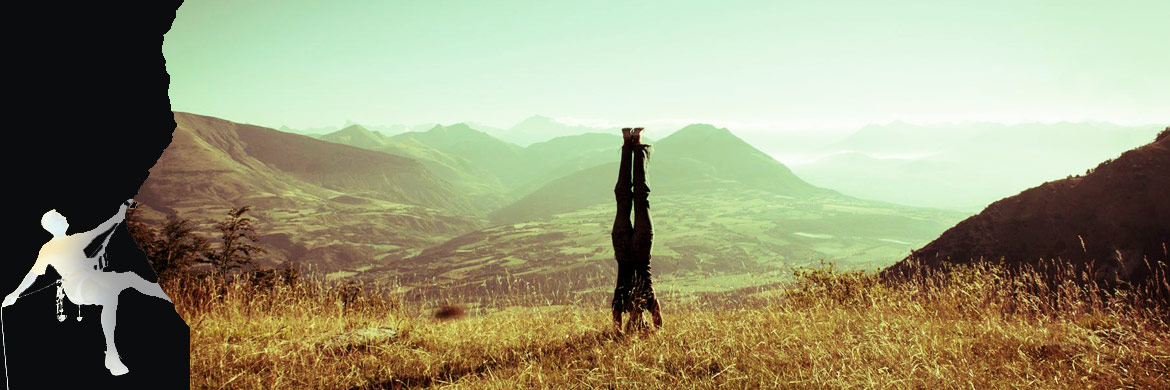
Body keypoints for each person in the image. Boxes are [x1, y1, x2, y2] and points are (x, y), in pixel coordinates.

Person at [3, 200, 172, 376]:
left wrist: (122, 210)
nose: (65, 217)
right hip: (78, 287)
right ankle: (112, 353)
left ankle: (165, 300)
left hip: (90, 279)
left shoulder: (70, 241)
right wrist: (15, 294)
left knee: (129, 277)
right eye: (61, 217)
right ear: (55, 224)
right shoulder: (51, 248)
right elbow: (34, 274)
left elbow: (105, 227)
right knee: (109, 297)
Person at [611, 127, 662, 333]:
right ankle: (627, 143)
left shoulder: (647, 300)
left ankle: (636, 143)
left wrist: (656, 331)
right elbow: (615, 316)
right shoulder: (623, 300)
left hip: (640, 250)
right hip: (623, 250)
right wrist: (620, 332)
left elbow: (659, 320)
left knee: (641, 198)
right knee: (623, 198)